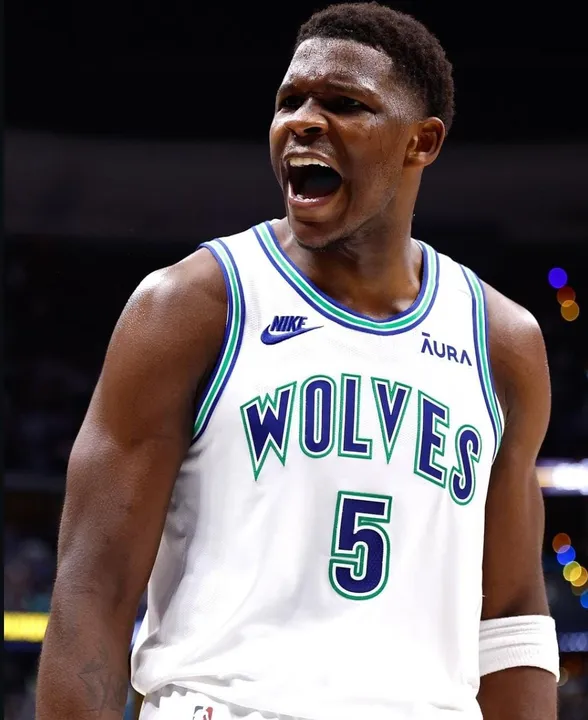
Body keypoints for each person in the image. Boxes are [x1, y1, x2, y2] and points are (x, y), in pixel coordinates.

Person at [36, 3, 559, 719]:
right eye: (290, 101)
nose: (303, 122)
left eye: (345, 104)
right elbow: (92, 589)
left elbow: (512, 615)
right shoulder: (191, 307)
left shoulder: (501, 341)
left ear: (422, 141)